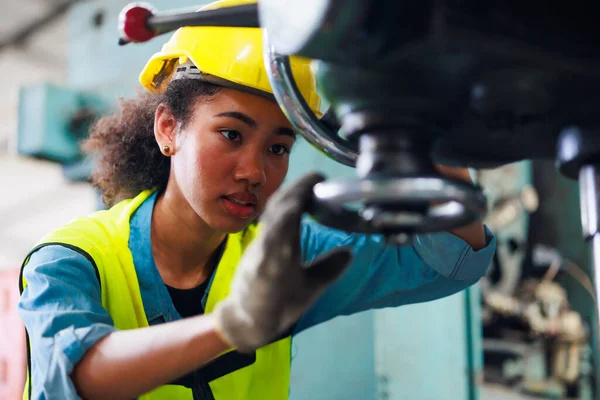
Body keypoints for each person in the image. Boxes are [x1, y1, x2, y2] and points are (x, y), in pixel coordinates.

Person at [17, 0, 496, 399]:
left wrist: (413, 110)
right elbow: (77, 376)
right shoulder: (70, 260)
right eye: (230, 134)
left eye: (278, 148)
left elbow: (451, 257)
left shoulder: (283, 256)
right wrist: (232, 325)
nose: (254, 172)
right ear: (168, 129)